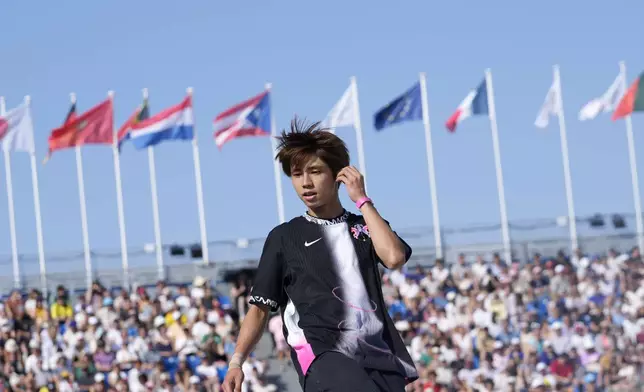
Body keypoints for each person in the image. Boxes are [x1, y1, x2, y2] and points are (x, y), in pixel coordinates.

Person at [223, 119, 418, 392]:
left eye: (315, 171)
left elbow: (395, 258)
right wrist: (236, 362)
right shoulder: (284, 237)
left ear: (339, 174)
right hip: (322, 356)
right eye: (296, 174)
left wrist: (362, 200)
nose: (305, 183)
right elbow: (259, 308)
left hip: (378, 354)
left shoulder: (363, 225)